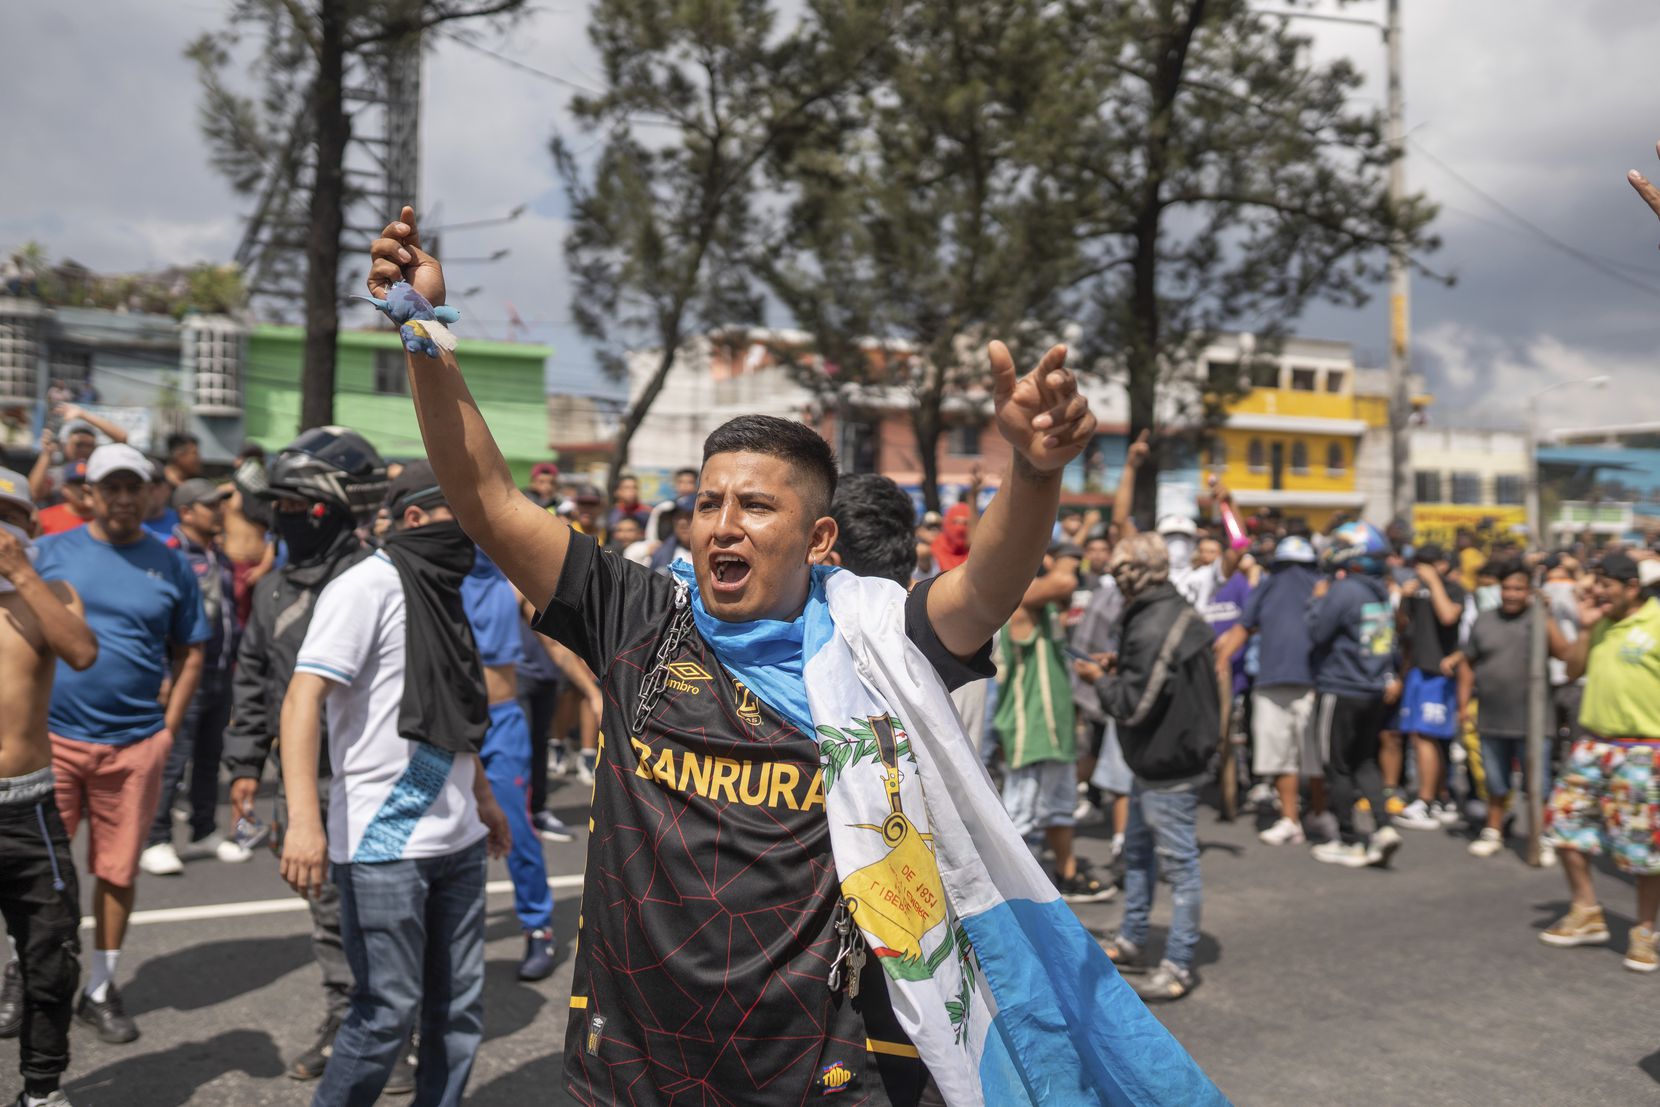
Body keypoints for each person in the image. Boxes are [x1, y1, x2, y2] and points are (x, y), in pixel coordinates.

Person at [363, 207, 1201, 1105]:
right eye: (710, 502)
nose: (724, 523)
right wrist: (424, 332)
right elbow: (486, 497)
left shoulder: (876, 644)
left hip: (819, 1073)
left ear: (820, 536)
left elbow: (985, 588)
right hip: (637, 1067)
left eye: (757, 506)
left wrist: (1034, 472)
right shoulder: (633, 614)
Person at [278, 463, 511, 1107]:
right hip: (385, 842)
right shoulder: (365, 586)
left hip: (459, 839)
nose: (472, 535)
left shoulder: (443, 592)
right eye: (458, 518)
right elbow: (302, 699)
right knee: (386, 1013)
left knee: (458, 1012)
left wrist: (484, 799)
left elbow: (455, 713)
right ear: (414, 519)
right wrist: (304, 820)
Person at [222, 427, 404, 1085]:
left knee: (388, 916)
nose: (284, 519)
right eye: (279, 506)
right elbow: (250, 678)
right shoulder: (272, 589)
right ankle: (346, 1018)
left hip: (376, 786)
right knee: (327, 918)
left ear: (342, 506)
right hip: (300, 788)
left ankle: (399, 1031)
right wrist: (244, 766)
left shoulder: (379, 581)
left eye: (300, 506)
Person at [32, 445, 209, 1044]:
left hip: (134, 745)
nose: (125, 499)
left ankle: (101, 986)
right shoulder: (51, 553)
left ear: (150, 492)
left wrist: (169, 726)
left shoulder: (171, 563)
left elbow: (191, 651)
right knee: (35, 874)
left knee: (117, 870)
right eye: (113, 488)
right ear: (90, 492)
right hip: (49, 742)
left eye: (135, 487)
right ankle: (22, 974)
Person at [1074, 530, 1217, 1002]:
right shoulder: (1160, 609)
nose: (1115, 581)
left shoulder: (1155, 622)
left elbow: (1133, 706)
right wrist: (1121, 666)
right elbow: (1154, 680)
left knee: (1179, 867)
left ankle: (1177, 964)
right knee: (1136, 852)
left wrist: (1099, 679)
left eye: (1119, 573)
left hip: (1167, 761)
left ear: (1135, 575)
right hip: (1156, 755)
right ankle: (1134, 939)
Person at [0, 468, 98, 1107]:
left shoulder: (51, 591)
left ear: (29, 527)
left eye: (9, 514)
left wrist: (23, 576)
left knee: (51, 954)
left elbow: (83, 653)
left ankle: (42, 1089)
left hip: (27, 803)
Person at [454, 485, 560, 979]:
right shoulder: (439, 582)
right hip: (454, 726)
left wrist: (605, 688)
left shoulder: (511, 581)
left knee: (516, 829)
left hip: (504, 723)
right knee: (454, 836)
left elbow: (559, 640)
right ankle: (453, 936)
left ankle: (538, 927)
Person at [1539, 552, 1660, 971]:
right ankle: (1587, 910)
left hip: (1645, 750)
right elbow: (1572, 670)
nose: (1597, 592)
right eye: (1596, 584)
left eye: (1606, 584)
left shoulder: (1656, 622)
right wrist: (1588, 629)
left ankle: (1645, 932)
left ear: (1632, 588)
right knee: (1563, 822)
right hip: (1593, 745)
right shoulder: (1602, 624)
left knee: (1644, 848)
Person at [139, 479, 249, 875]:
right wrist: (166, 673)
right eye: (208, 505)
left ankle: (204, 829)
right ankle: (157, 837)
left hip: (220, 673)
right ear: (185, 512)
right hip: (185, 674)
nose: (217, 511)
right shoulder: (169, 555)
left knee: (209, 758)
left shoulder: (218, 552)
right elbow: (157, 621)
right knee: (173, 758)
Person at [993, 549, 1113, 904]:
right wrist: (1069, 554)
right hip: (1030, 729)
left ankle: (1067, 873)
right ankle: (1014, 896)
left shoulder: (1046, 610)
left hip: (1054, 731)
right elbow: (1064, 580)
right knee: (1021, 818)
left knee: (1060, 808)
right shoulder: (1019, 605)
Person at [1304, 522, 1403, 870]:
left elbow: (1317, 632)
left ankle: (1349, 840)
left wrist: (1317, 601)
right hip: (1373, 689)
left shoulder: (1344, 591)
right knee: (1365, 761)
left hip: (1341, 688)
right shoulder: (1379, 592)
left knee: (1338, 766)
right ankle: (1383, 827)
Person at [1217, 535, 1327, 846]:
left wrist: (1224, 655)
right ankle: (1302, 816)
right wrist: (1223, 655)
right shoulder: (1313, 584)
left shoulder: (1276, 584)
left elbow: (1243, 627)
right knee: (1301, 756)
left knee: (1294, 757)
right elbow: (1244, 626)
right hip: (1290, 681)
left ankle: (1299, 817)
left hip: (1293, 681)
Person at [1447, 562, 1541, 860]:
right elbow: (1467, 664)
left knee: (1538, 783)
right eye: (1507, 588)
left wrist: (1547, 616)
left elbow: (1566, 654)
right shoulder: (1484, 621)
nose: (1511, 594)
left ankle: (1541, 835)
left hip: (1534, 720)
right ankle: (1494, 830)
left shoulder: (1539, 620)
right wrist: (1463, 706)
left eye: (1518, 588)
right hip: (1491, 715)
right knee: (1495, 780)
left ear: (1529, 591)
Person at [1395, 543, 1467, 830]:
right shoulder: (1416, 588)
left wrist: (1435, 582)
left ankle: (1426, 801)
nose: (1421, 568)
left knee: (1427, 736)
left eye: (1428, 563)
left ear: (1442, 564)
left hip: (1440, 672)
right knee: (1421, 736)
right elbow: (1403, 627)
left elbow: (1448, 616)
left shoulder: (1453, 589)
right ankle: (1434, 798)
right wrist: (1403, 599)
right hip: (1417, 670)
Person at [26, 407, 128, 506]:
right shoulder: (57, 474)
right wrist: (47, 453)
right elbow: (32, 494)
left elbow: (122, 438)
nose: (84, 450)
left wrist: (83, 414)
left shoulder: (99, 471)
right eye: (79, 445)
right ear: (65, 445)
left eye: (89, 446)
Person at [33, 463, 90, 537]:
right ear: (65, 488)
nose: (83, 488)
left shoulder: (105, 519)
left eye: (88, 483)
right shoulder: (44, 518)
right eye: (77, 483)